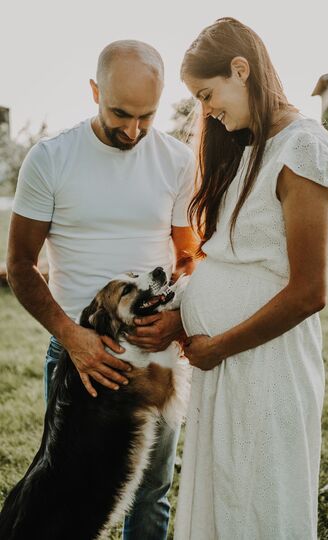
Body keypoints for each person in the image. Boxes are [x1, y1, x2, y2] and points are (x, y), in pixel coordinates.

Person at [7, 40, 196, 540]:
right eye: (120, 113)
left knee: (153, 490)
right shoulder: (50, 159)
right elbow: (21, 265)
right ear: (94, 90)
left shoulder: (178, 160)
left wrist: (176, 319)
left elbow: (187, 257)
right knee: (63, 494)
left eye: (146, 116)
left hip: (155, 357)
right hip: (80, 358)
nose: (133, 130)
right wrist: (72, 337)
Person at [174, 17, 328, 540]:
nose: (206, 110)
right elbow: (232, 258)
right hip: (224, 362)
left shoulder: (304, 150)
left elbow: (308, 292)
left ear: (240, 69)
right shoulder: (248, 146)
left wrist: (220, 345)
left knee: (258, 501)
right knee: (224, 493)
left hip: (263, 361)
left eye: (207, 94)